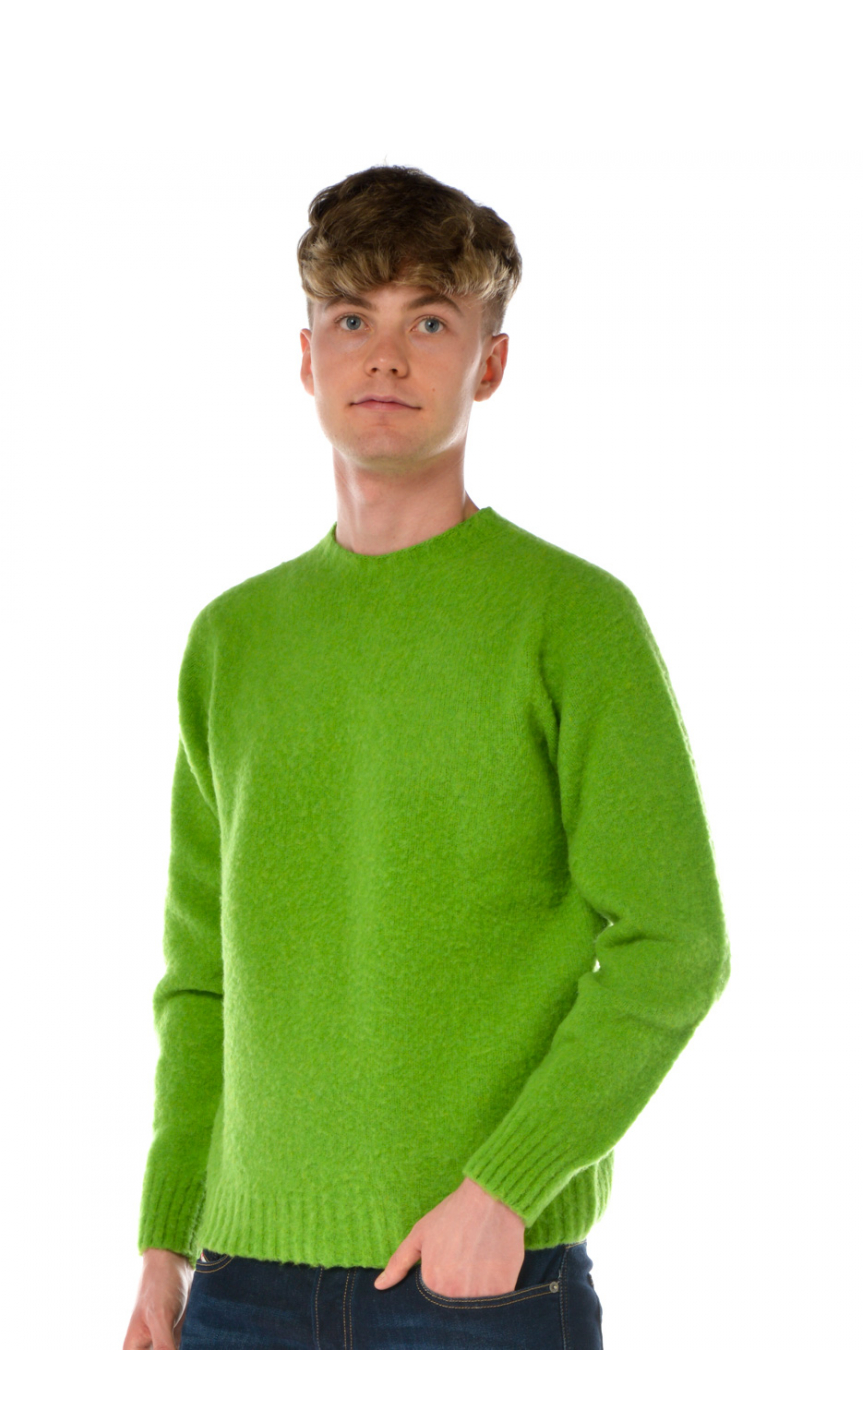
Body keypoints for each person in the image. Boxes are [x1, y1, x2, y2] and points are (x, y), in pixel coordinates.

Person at [123, 164, 730, 1351]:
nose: (387, 358)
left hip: (481, 1285)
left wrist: (507, 1187)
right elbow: (202, 979)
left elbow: (676, 943)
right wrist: (163, 1240)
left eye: (431, 323)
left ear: (488, 365)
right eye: (354, 320)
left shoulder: (573, 619)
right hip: (238, 1287)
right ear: (307, 357)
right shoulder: (232, 639)